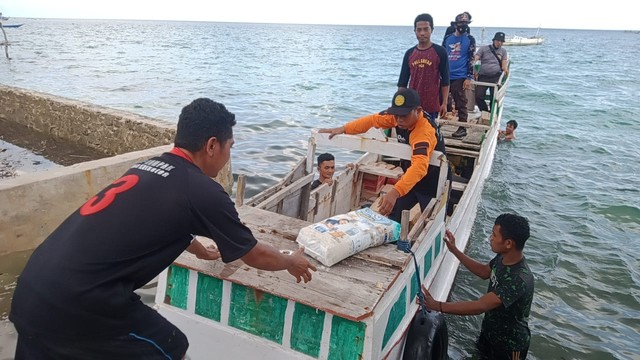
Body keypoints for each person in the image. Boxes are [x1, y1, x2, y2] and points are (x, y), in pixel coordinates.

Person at [9, 98, 317, 359]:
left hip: (30, 292)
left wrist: (199, 249)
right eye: (230, 147)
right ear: (212, 145)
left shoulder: (147, 168)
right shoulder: (201, 189)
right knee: (171, 345)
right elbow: (253, 254)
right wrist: (291, 261)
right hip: (77, 304)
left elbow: (156, 220)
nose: (228, 156)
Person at [318, 88, 447, 222]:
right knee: (393, 213)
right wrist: (344, 129)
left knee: (433, 222)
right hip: (410, 179)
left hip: (433, 182)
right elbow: (373, 120)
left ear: (418, 111)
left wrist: (394, 192)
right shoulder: (397, 118)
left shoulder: (423, 133)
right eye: (396, 115)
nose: (399, 120)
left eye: (404, 115)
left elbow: (420, 166)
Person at [421, 213, 533, 360]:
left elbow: (480, 306)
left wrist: (438, 306)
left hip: (510, 346)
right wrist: (454, 250)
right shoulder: (503, 257)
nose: (490, 238)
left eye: (494, 235)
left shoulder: (518, 279)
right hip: (489, 333)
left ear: (508, 243)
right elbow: (484, 271)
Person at [397, 13, 450, 121]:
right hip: (411, 105)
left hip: (431, 105)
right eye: (419, 30)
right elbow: (402, 83)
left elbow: (445, 80)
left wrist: (444, 103)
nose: (422, 33)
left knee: (428, 135)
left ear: (432, 30)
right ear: (415, 31)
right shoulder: (410, 53)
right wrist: (399, 104)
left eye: (426, 29)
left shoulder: (440, 52)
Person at [443, 12, 476, 139]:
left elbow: (471, 58)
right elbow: (442, 55)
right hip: (446, 75)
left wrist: (469, 77)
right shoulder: (448, 38)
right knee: (442, 99)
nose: (463, 26)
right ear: (456, 24)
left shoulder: (470, 39)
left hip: (460, 75)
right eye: (461, 23)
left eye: (466, 23)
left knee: (461, 102)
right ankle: (437, 123)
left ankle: (462, 128)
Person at [474, 32, 509, 113]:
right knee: (478, 96)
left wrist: (506, 74)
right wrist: (474, 70)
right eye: (497, 41)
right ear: (493, 40)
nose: (499, 43)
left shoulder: (503, 51)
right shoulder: (483, 49)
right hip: (483, 76)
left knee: (494, 97)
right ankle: (485, 111)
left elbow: (504, 66)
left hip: (495, 76)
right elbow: (475, 59)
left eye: (501, 41)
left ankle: (491, 113)